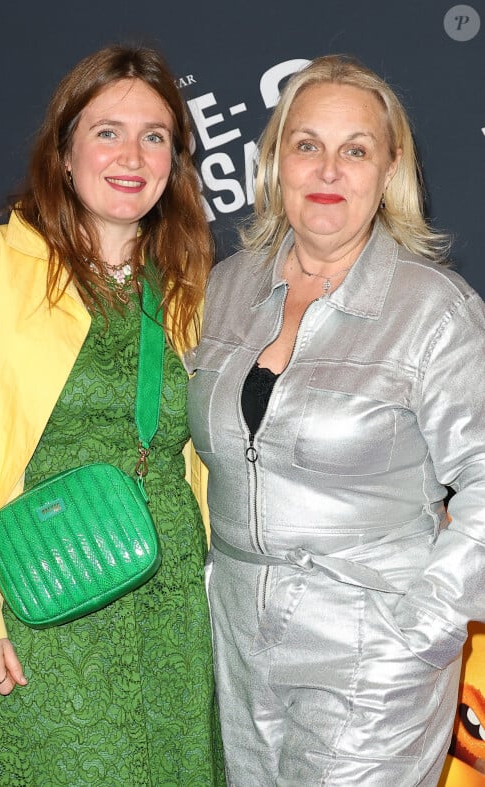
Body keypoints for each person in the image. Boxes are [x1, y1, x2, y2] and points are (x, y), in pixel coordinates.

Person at [0, 45, 225, 787]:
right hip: (40, 601)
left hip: (171, 599)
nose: (132, 155)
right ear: (65, 148)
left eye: (155, 136)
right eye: (107, 130)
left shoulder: (191, 285)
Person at [187, 54, 485, 785]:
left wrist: (419, 635)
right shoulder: (225, 288)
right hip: (235, 647)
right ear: (275, 162)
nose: (329, 170)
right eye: (307, 144)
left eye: (355, 150)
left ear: (389, 172)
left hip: (371, 649)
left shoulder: (434, 310)